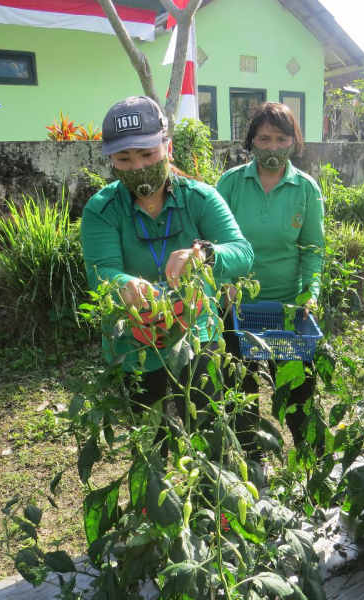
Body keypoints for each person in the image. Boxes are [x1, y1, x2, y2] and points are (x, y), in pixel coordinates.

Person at [81, 96, 253, 440]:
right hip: (136, 345)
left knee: (207, 434)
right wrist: (121, 283)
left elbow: (243, 252)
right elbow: (100, 271)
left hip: (196, 336)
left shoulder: (199, 198)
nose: (137, 167)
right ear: (111, 161)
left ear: (168, 148)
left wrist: (204, 253)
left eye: (147, 154)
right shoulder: (102, 209)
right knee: (149, 441)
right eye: (124, 159)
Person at [216, 102, 325, 450]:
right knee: (240, 394)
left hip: (287, 310)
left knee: (298, 394)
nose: (273, 147)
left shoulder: (305, 189)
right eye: (264, 138)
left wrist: (311, 293)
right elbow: (215, 242)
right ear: (251, 141)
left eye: (281, 138)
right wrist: (224, 282)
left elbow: (312, 249)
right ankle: (251, 465)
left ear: (294, 141)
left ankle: (313, 462)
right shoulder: (230, 184)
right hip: (236, 309)